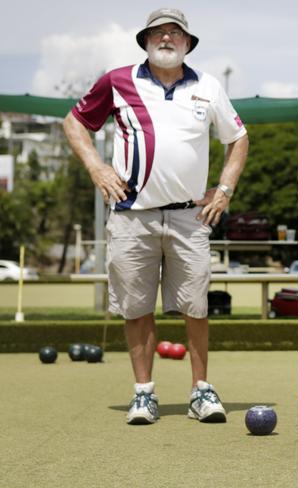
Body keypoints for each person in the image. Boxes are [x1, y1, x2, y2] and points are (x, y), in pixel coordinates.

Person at [63, 8, 249, 424]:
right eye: (158, 33)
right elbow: (74, 123)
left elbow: (238, 138)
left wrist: (224, 189)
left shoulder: (208, 86)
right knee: (135, 306)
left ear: (187, 43)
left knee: (195, 307)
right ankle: (144, 393)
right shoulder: (117, 80)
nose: (166, 38)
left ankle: (201, 391)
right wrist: (96, 167)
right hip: (132, 216)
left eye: (175, 33)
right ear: (146, 41)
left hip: (189, 218)